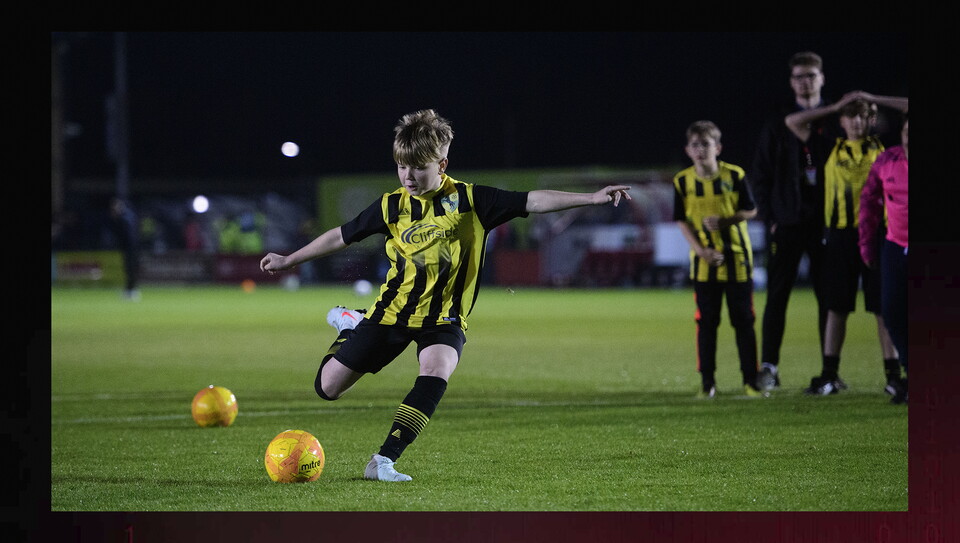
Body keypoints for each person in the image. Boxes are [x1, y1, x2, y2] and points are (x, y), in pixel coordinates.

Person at [260, 109, 631, 481]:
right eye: (402, 167)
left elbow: (531, 200)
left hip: (444, 318)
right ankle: (351, 324)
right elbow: (341, 235)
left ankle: (383, 460)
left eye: (418, 167)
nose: (408, 176)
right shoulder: (391, 206)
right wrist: (290, 259)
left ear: (442, 164)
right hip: (392, 312)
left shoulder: (472, 201)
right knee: (327, 388)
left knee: (436, 370)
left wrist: (592, 198)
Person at [783, 92, 908, 396]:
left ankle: (893, 375)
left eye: (863, 114)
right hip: (838, 235)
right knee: (836, 306)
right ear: (840, 120)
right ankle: (829, 374)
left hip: (879, 235)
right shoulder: (828, 148)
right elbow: (792, 121)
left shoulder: (885, 150)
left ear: (872, 119)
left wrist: (870, 97)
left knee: (882, 308)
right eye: (850, 115)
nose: (856, 121)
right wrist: (835, 105)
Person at [751, 51, 837, 392]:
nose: (805, 82)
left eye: (811, 75)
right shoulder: (777, 122)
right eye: (799, 76)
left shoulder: (835, 120)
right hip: (786, 223)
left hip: (826, 223)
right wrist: (770, 218)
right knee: (777, 296)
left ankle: (830, 370)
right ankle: (769, 367)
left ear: (821, 78)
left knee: (829, 298)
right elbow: (760, 175)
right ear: (791, 82)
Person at [673, 121, 762, 398]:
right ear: (688, 150)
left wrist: (726, 221)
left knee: (744, 322)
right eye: (695, 145)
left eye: (706, 144)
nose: (701, 150)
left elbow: (751, 210)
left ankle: (751, 381)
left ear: (718, 147)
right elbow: (681, 220)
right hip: (703, 264)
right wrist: (701, 251)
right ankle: (708, 384)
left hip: (736, 259)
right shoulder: (682, 181)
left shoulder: (735, 175)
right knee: (707, 324)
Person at [860, 112, 909, 404]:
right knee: (891, 311)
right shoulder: (887, 161)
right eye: (907, 131)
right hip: (894, 244)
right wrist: (866, 244)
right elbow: (869, 202)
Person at [109, 196, 141, 300]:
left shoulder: (125, 217)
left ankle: (131, 291)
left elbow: (128, 235)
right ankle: (130, 290)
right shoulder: (128, 215)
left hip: (130, 247)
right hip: (131, 247)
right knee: (129, 269)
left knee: (130, 269)